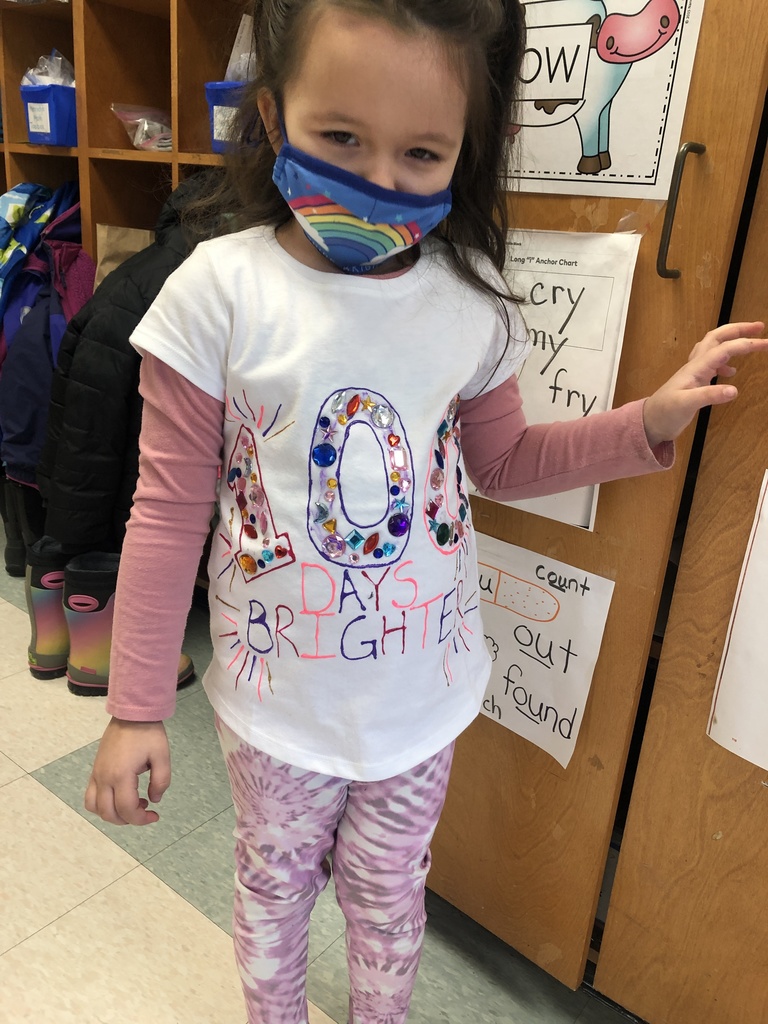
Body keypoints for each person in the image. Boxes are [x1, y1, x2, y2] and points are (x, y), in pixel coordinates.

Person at [84, 1, 767, 1021]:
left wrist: (642, 424)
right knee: (273, 895)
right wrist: (136, 706)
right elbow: (166, 511)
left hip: (422, 705)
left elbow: (506, 460)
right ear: (274, 115)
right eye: (341, 138)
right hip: (279, 715)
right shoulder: (216, 293)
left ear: (466, 153)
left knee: (390, 896)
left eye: (422, 152)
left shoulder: (471, 299)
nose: (378, 180)